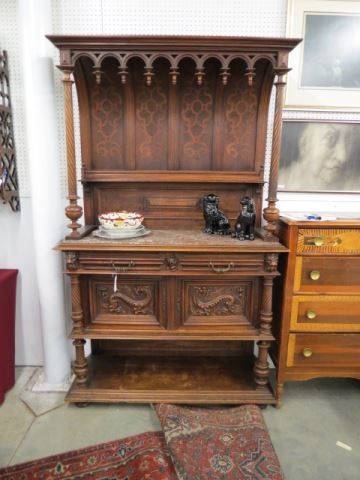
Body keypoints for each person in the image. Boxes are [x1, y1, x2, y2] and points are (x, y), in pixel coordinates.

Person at [278, 122, 360, 191]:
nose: (343, 157)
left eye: (349, 140)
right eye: (330, 138)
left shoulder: (355, 186)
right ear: (304, 144)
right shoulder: (278, 182)